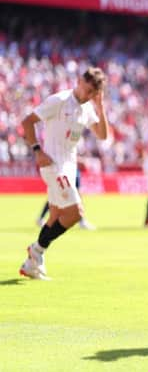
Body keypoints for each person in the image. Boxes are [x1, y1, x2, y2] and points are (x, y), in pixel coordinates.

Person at [19, 67, 109, 280]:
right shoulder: (59, 101)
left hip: (69, 166)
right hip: (54, 165)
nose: (87, 96)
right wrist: (37, 151)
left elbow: (103, 135)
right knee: (76, 213)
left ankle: (32, 263)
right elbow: (27, 122)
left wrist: (100, 106)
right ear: (79, 81)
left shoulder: (87, 108)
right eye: (87, 90)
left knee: (56, 216)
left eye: (92, 93)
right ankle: (36, 249)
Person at [36, 164, 97, 231]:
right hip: (63, 171)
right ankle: (81, 221)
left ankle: (81, 220)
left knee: (76, 194)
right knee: (56, 196)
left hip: (73, 169)